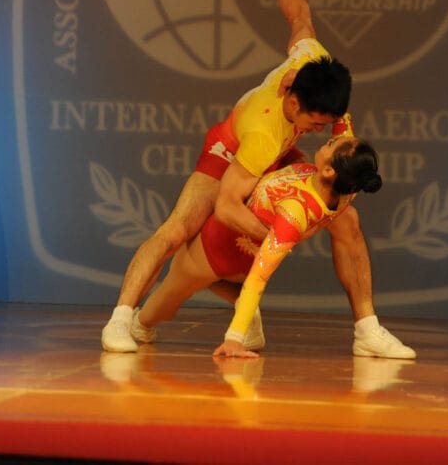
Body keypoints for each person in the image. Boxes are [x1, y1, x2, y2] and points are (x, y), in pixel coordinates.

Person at [102, 0, 412, 359]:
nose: (319, 131)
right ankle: (121, 319)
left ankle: (367, 329)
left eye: (326, 125)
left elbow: (299, 15)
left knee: (348, 220)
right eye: (314, 123)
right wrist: (282, 234)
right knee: (178, 231)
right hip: (232, 152)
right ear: (292, 100)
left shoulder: (314, 62)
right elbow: (227, 207)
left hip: (278, 155)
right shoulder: (265, 133)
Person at [132, 132, 415, 359]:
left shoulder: (295, 212)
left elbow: (259, 277)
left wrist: (233, 338)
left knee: (157, 310)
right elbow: (345, 131)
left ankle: (141, 323)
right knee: (212, 284)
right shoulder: (347, 189)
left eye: (331, 144)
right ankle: (246, 312)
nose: (329, 139)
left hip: (214, 249)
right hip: (236, 244)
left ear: (329, 170)